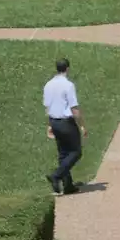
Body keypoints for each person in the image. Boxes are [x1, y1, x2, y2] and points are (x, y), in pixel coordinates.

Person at [42, 58, 86, 195]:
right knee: (75, 152)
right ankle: (56, 175)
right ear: (67, 68)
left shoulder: (48, 85)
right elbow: (74, 109)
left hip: (54, 121)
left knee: (63, 153)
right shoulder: (68, 85)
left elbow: (48, 107)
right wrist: (82, 126)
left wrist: (49, 125)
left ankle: (68, 186)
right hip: (66, 123)